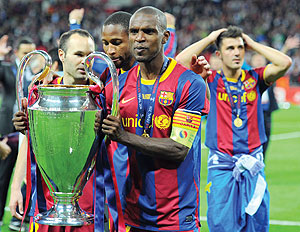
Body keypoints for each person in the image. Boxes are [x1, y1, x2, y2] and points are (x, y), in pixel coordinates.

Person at [99, 6, 209, 232]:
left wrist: (123, 136)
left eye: (148, 31)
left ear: (165, 37)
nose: (139, 38)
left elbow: (179, 148)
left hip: (177, 216)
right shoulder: (116, 88)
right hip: (133, 212)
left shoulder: (188, 83)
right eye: (134, 32)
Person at [176, 26, 292, 231]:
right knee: (222, 226)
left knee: (256, 226)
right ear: (219, 54)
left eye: (240, 47)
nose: (237, 52)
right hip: (221, 168)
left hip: (253, 167)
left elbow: (284, 63)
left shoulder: (255, 78)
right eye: (230, 48)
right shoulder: (210, 80)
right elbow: (178, 63)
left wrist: (253, 44)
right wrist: (211, 37)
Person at [10, 29, 97, 232]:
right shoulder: (42, 94)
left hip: (89, 203)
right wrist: (15, 188)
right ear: (61, 55)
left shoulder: (102, 94)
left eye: (89, 55)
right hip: (47, 201)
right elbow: (30, 144)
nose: (85, 61)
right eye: (78, 54)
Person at [0, 35, 36, 232]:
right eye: (24, 53)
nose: (29, 58)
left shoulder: (38, 74)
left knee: (27, 173)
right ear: (16, 53)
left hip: (28, 131)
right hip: (8, 129)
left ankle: (21, 215)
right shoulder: (8, 68)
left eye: (32, 53)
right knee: (3, 174)